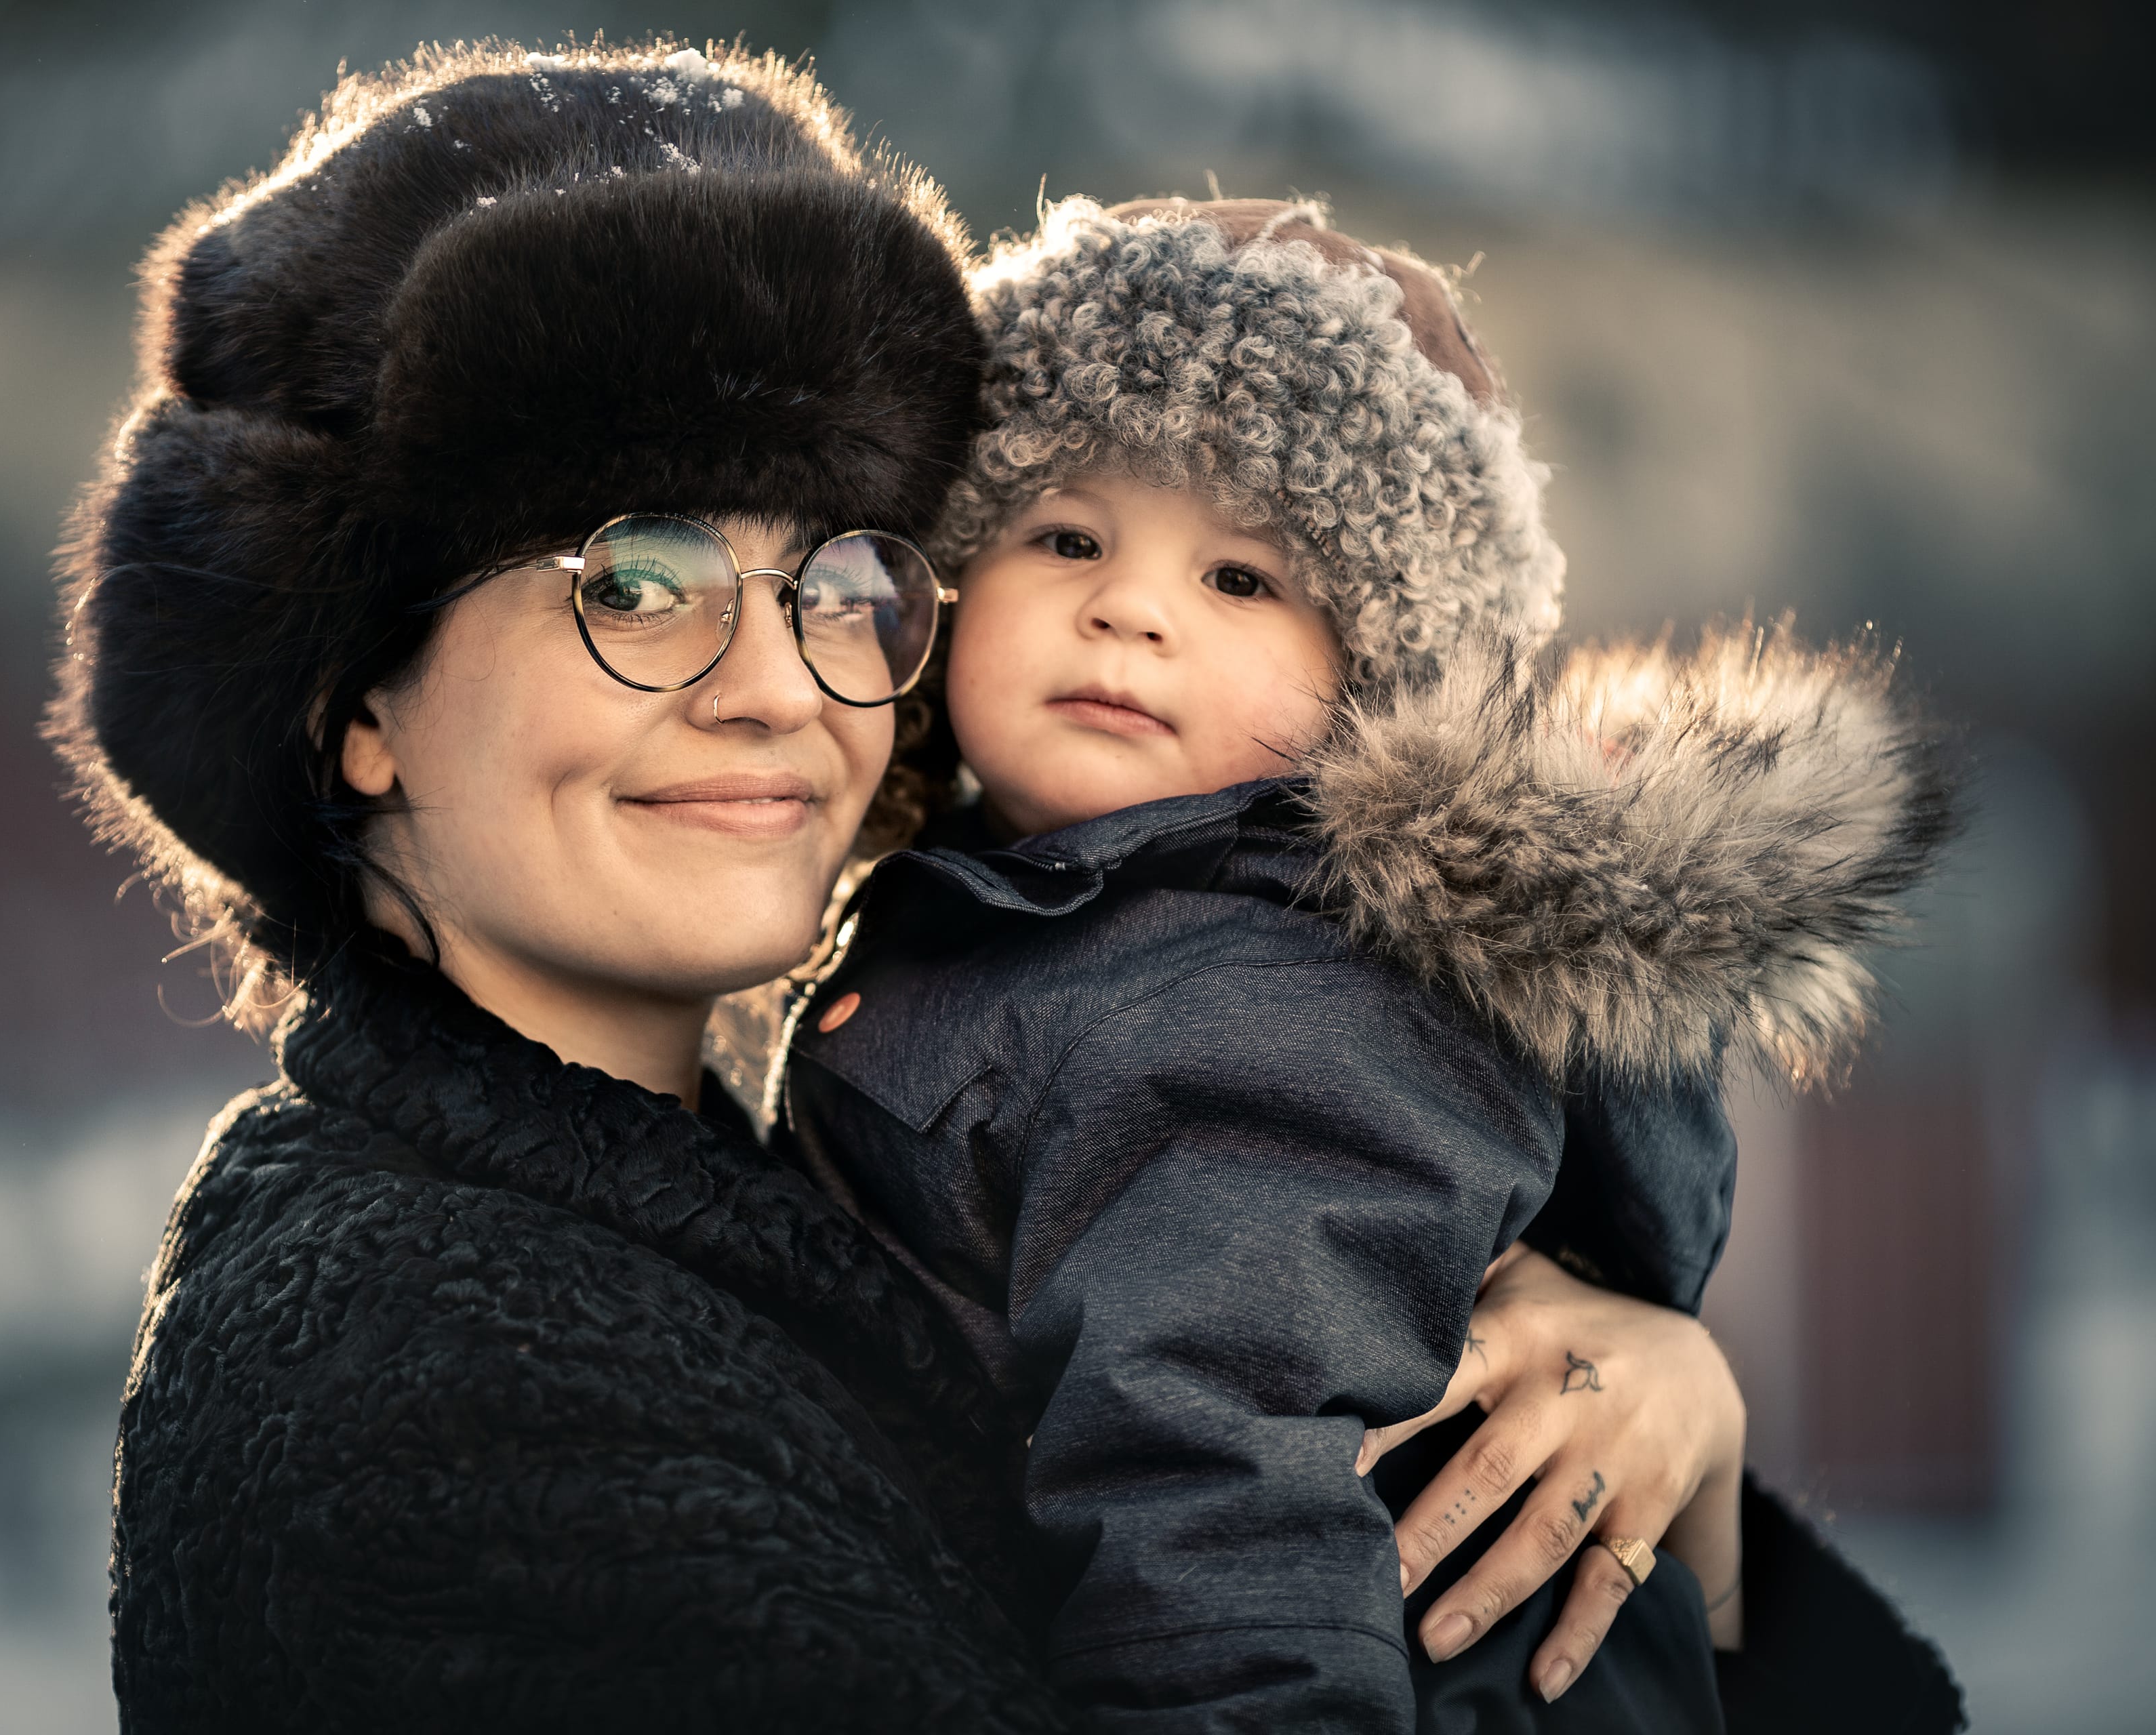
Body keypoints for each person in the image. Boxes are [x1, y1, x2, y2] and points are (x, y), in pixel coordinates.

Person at [47, 43, 1880, 1734]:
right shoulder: (431, 1384)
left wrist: (1665, 1440)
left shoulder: (766, 1168)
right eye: (643, 580)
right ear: (356, 699)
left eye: (837, 578)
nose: (776, 685)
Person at [779, 197, 1964, 1731]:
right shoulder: (1002, 917)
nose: (1128, 606)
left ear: (1376, 684)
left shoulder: (1257, 1006)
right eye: (1064, 534)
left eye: (1244, 579)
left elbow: (1222, 1493)